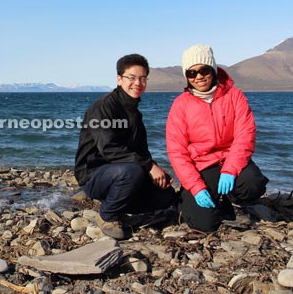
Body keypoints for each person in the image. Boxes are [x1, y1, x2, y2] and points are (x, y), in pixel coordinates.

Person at [166, 44, 269, 232]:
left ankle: (236, 202)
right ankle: (190, 200)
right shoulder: (180, 105)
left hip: (231, 162)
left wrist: (230, 170)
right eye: (191, 73)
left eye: (204, 70)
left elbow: (245, 136)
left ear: (213, 69)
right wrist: (195, 187)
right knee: (204, 224)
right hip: (202, 166)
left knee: (252, 183)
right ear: (186, 77)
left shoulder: (235, 96)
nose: (198, 77)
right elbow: (177, 152)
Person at [75, 54, 176, 239]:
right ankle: (107, 214)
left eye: (142, 78)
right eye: (131, 77)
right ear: (119, 79)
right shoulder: (103, 108)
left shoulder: (135, 114)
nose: (137, 83)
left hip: (122, 173)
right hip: (93, 175)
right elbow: (108, 149)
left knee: (165, 194)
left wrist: (156, 171)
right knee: (132, 172)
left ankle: (121, 206)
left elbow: (141, 152)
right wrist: (148, 166)